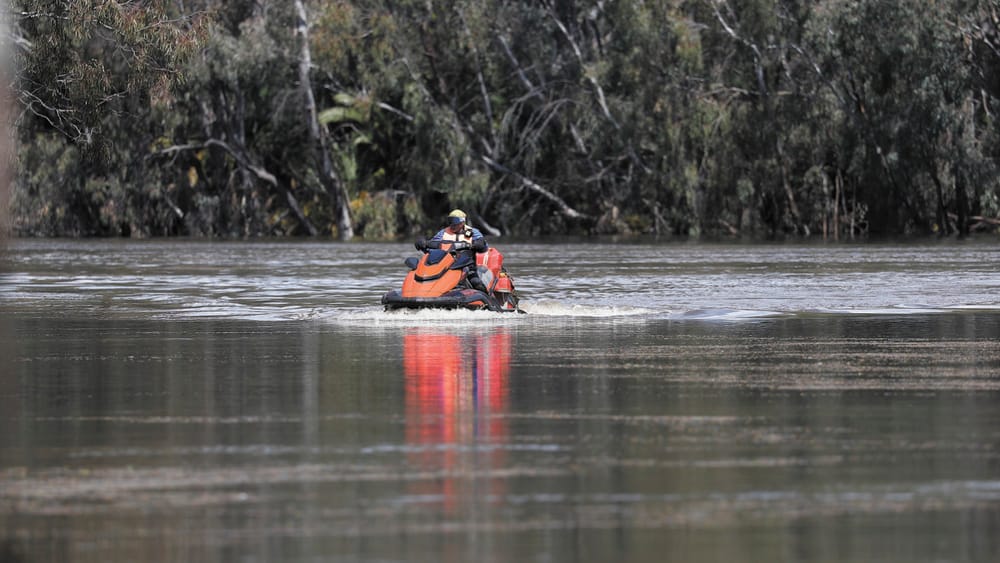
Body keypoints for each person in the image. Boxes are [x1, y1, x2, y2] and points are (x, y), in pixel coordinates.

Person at [415, 209, 491, 291]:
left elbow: (482, 243)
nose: (452, 225)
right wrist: (423, 243)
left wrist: (475, 244)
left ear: (462, 222)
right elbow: (433, 243)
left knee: (476, 282)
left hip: (466, 266)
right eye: (450, 221)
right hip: (446, 265)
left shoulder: (473, 232)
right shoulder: (443, 233)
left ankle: (487, 300)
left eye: (455, 221)